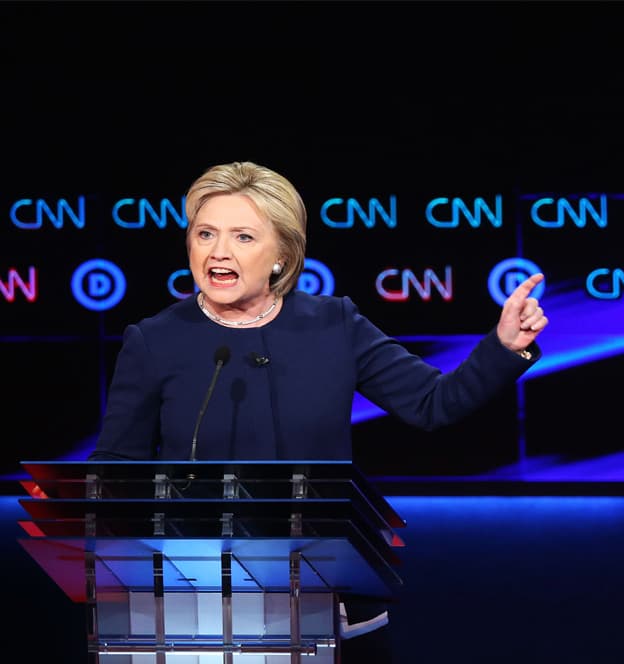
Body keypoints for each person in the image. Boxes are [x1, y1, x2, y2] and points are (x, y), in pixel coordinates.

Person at [88, 160, 548, 661]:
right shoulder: (155, 340)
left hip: (329, 599)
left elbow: (432, 403)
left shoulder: (334, 324)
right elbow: (117, 470)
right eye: (205, 234)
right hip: (204, 607)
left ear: (282, 255)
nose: (218, 251)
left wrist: (504, 347)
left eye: (243, 237)